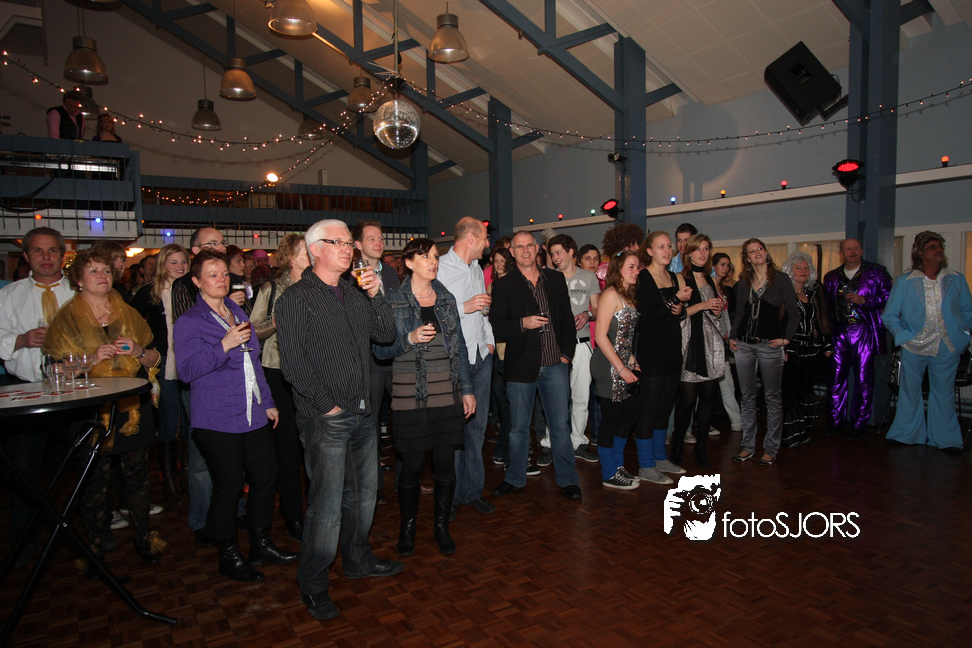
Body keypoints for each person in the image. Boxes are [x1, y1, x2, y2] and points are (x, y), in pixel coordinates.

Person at [274, 219, 403, 622]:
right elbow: (294, 365)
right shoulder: (295, 299)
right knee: (326, 508)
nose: (349, 248)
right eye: (339, 242)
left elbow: (386, 335)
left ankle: (358, 560)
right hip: (326, 418)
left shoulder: (354, 291)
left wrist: (376, 294)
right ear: (315, 249)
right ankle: (313, 584)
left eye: (350, 243)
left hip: (363, 411)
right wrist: (326, 406)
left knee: (363, 495)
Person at [174, 249, 294, 583]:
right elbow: (186, 371)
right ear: (197, 281)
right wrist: (223, 345)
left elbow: (253, 361)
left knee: (266, 475)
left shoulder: (236, 310)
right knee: (228, 486)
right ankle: (228, 556)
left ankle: (260, 544)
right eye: (212, 275)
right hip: (216, 416)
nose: (222, 279)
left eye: (225, 273)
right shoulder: (189, 322)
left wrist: (267, 401)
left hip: (251, 410)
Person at [43, 248, 162, 566]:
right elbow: (55, 371)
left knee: (138, 477)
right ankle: (94, 548)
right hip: (90, 410)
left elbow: (155, 358)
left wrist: (138, 351)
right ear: (79, 280)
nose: (102, 276)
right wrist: (90, 360)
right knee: (93, 482)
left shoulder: (129, 313)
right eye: (94, 270)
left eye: (107, 271)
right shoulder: (67, 319)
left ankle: (144, 540)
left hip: (131, 406)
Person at [373, 238, 475, 555]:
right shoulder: (393, 301)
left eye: (434, 257)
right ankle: (408, 528)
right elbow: (380, 350)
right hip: (410, 394)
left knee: (445, 465)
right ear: (408, 263)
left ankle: (441, 526)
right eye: (425, 257)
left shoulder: (446, 298)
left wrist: (467, 389)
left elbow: (459, 349)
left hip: (446, 391)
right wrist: (410, 337)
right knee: (412, 467)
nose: (433, 262)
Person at [0, 227, 75, 564]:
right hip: (26, 389)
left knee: (85, 463)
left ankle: (90, 532)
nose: (46, 257)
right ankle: (25, 540)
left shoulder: (79, 291)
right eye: (38, 251)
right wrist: (21, 340)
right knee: (25, 468)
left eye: (52, 251)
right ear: (26, 256)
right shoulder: (9, 295)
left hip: (76, 388)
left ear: (62, 254)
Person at [169, 227, 246, 546]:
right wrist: (224, 338)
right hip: (203, 380)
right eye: (211, 243)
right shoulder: (184, 286)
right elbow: (190, 337)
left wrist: (235, 306)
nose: (219, 246)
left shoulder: (229, 286)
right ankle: (202, 520)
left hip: (233, 378)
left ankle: (233, 512)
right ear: (195, 251)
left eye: (221, 242)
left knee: (234, 457)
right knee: (202, 456)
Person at [489, 231, 581, 500]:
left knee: (560, 427)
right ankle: (515, 478)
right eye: (520, 247)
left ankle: (568, 479)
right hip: (520, 367)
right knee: (518, 429)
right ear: (512, 252)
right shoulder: (503, 285)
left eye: (529, 245)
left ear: (537, 248)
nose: (525, 250)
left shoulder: (555, 279)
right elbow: (497, 326)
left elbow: (567, 319)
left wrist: (566, 356)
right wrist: (522, 323)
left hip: (555, 364)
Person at [883, 232, 972, 451]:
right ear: (920, 253)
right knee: (909, 391)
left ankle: (945, 439)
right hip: (913, 345)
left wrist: (964, 336)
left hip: (947, 345)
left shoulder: (956, 279)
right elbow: (889, 315)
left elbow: (968, 312)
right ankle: (907, 434)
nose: (938, 250)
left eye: (940, 246)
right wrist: (903, 336)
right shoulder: (905, 281)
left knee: (944, 393)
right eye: (932, 247)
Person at [250, 234, 311, 543]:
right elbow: (251, 332)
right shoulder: (271, 289)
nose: (312, 255)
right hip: (279, 372)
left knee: (312, 447)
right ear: (291, 257)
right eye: (306, 251)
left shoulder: (317, 286)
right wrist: (275, 323)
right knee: (288, 450)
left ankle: (314, 511)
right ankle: (293, 515)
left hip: (313, 372)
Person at [437, 217, 495, 514]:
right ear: (470, 238)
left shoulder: (476, 269)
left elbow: (482, 311)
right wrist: (465, 307)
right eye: (484, 238)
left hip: (481, 358)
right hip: (455, 361)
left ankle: (472, 492)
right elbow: (433, 314)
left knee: (477, 430)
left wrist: (490, 340)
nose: (488, 243)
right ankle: (451, 496)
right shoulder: (439, 268)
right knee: (454, 433)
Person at [729, 238, 799, 466]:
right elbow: (739, 314)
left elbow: (794, 313)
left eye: (760, 249)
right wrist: (732, 337)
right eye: (752, 251)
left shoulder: (781, 279)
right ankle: (747, 446)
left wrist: (786, 339)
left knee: (772, 397)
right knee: (747, 397)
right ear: (747, 257)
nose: (757, 253)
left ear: (766, 252)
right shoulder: (743, 283)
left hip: (770, 346)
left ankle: (770, 448)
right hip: (744, 345)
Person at [131, 244, 191, 507]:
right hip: (164, 361)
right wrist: (142, 351)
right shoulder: (149, 292)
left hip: (191, 360)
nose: (179, 267)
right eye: (173, 262)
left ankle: (186, 474)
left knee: (189, 421)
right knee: (168, 421)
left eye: (183, 262)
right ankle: (168, 480)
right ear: (162, 265)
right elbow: (129, 323)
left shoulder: (194, 289)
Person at [633, 232, 691, 484]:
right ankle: (645, 465)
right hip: (652, 352)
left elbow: (676, 314)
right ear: (649, 251)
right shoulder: (643, 278)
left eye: (669, 246)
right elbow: (647, 317)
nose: (667, 251)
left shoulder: (673, 277)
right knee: (649, 409)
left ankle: (659, 457)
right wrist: (676, 300)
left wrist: (680, 309)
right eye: (661, 247)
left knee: (665, 408)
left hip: (672, 349)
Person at [351, 220, 401, 502]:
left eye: (381, 238)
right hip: (368, 359)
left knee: (403, 419)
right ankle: (374, 487)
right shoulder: (350, 276)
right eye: (372, 239)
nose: (379, 242)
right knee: (369, 426)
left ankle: (405, 481)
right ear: (358, 244)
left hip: (394, 356)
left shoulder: (391, 273)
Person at [822, 239, 892, 439]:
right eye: (848, 249)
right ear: (841, 253)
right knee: (836, 379)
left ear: (861, 250)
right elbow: (825, 306)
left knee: (863, 379)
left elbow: (890, 296)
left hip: (864, 330)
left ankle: (859, 425)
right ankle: (835, 423)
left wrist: (865, 300)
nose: (852, 252)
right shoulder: (831, 277)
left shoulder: (877, 272)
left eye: (855, 248)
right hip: (838, 331)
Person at [671, 234, 726, 469]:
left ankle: (702, 448)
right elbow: (678, 314)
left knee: (707, 399)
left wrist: (717, 310)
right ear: (689, 252)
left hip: (711, 344)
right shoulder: (679, 278)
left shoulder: (711, 280)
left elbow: (716, 315)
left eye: (706, 249)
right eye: (698, 249)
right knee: (687, 400)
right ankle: (677, 446)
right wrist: (703, 305)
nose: (702, 253)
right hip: (689, 343)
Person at [545, 234, 600, 463]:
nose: (555, 257)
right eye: (552, 254)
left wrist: (587, 314)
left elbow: (597, 308)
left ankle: (578, 441)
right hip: (555, 346)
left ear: (571, 252)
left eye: (559, 252)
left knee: (581, 396)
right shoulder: (548, 278)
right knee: (555, 397)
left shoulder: (588, 277)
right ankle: (550, 442)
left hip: (582, 343)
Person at [590, 250, 643, 489]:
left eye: (637, 267)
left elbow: (622, 337)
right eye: (631, 267)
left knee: (630, 413)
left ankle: (618, 465)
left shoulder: (628, 295)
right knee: (611, 419)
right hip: (607, 366)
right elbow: (601, 337)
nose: (636, 271)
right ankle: (609, 472)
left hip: (621, 363)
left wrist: (631, 360)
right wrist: (621, 368)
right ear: (618, 269)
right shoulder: (611, 294)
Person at [780, 252, 831, 448]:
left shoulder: (813, 291)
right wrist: (782, 348)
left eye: (806, 268)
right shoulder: (785, 293)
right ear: (789, 271)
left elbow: (822, 318)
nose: (803, 271)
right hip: (791, 348)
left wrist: (826, 342)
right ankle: (789, 434)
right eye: (798, 268)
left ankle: (802, 429)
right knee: (790, 391)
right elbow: (778, 321)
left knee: (804, 389)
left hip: (810, 348)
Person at [487, 247, 513, 467]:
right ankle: (506, 445)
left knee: (511, 401)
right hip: (496, 349)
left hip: (512, 349)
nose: (498, 264)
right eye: (495, 261)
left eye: (502, 260)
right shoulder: (492, 286)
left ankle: (509, 448)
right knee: (500, 396)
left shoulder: (516, 285)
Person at [711, 252, 742, 433]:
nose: (726, 268)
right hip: (710, 344)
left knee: (727, 384)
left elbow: (726, 318)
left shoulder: (723, 289)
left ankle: (737, 422)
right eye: (722, 264)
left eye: (728, 265)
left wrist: (730, 337)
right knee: (705, 388)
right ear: (714, 266)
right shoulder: (708, 286)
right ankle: (701, 423)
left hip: (722, 343)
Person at [597, 224, 644, 290]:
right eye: (633, 244)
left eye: (638, 243)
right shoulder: (603, 272)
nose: (637, 247)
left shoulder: (641, 269)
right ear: (622, 246)